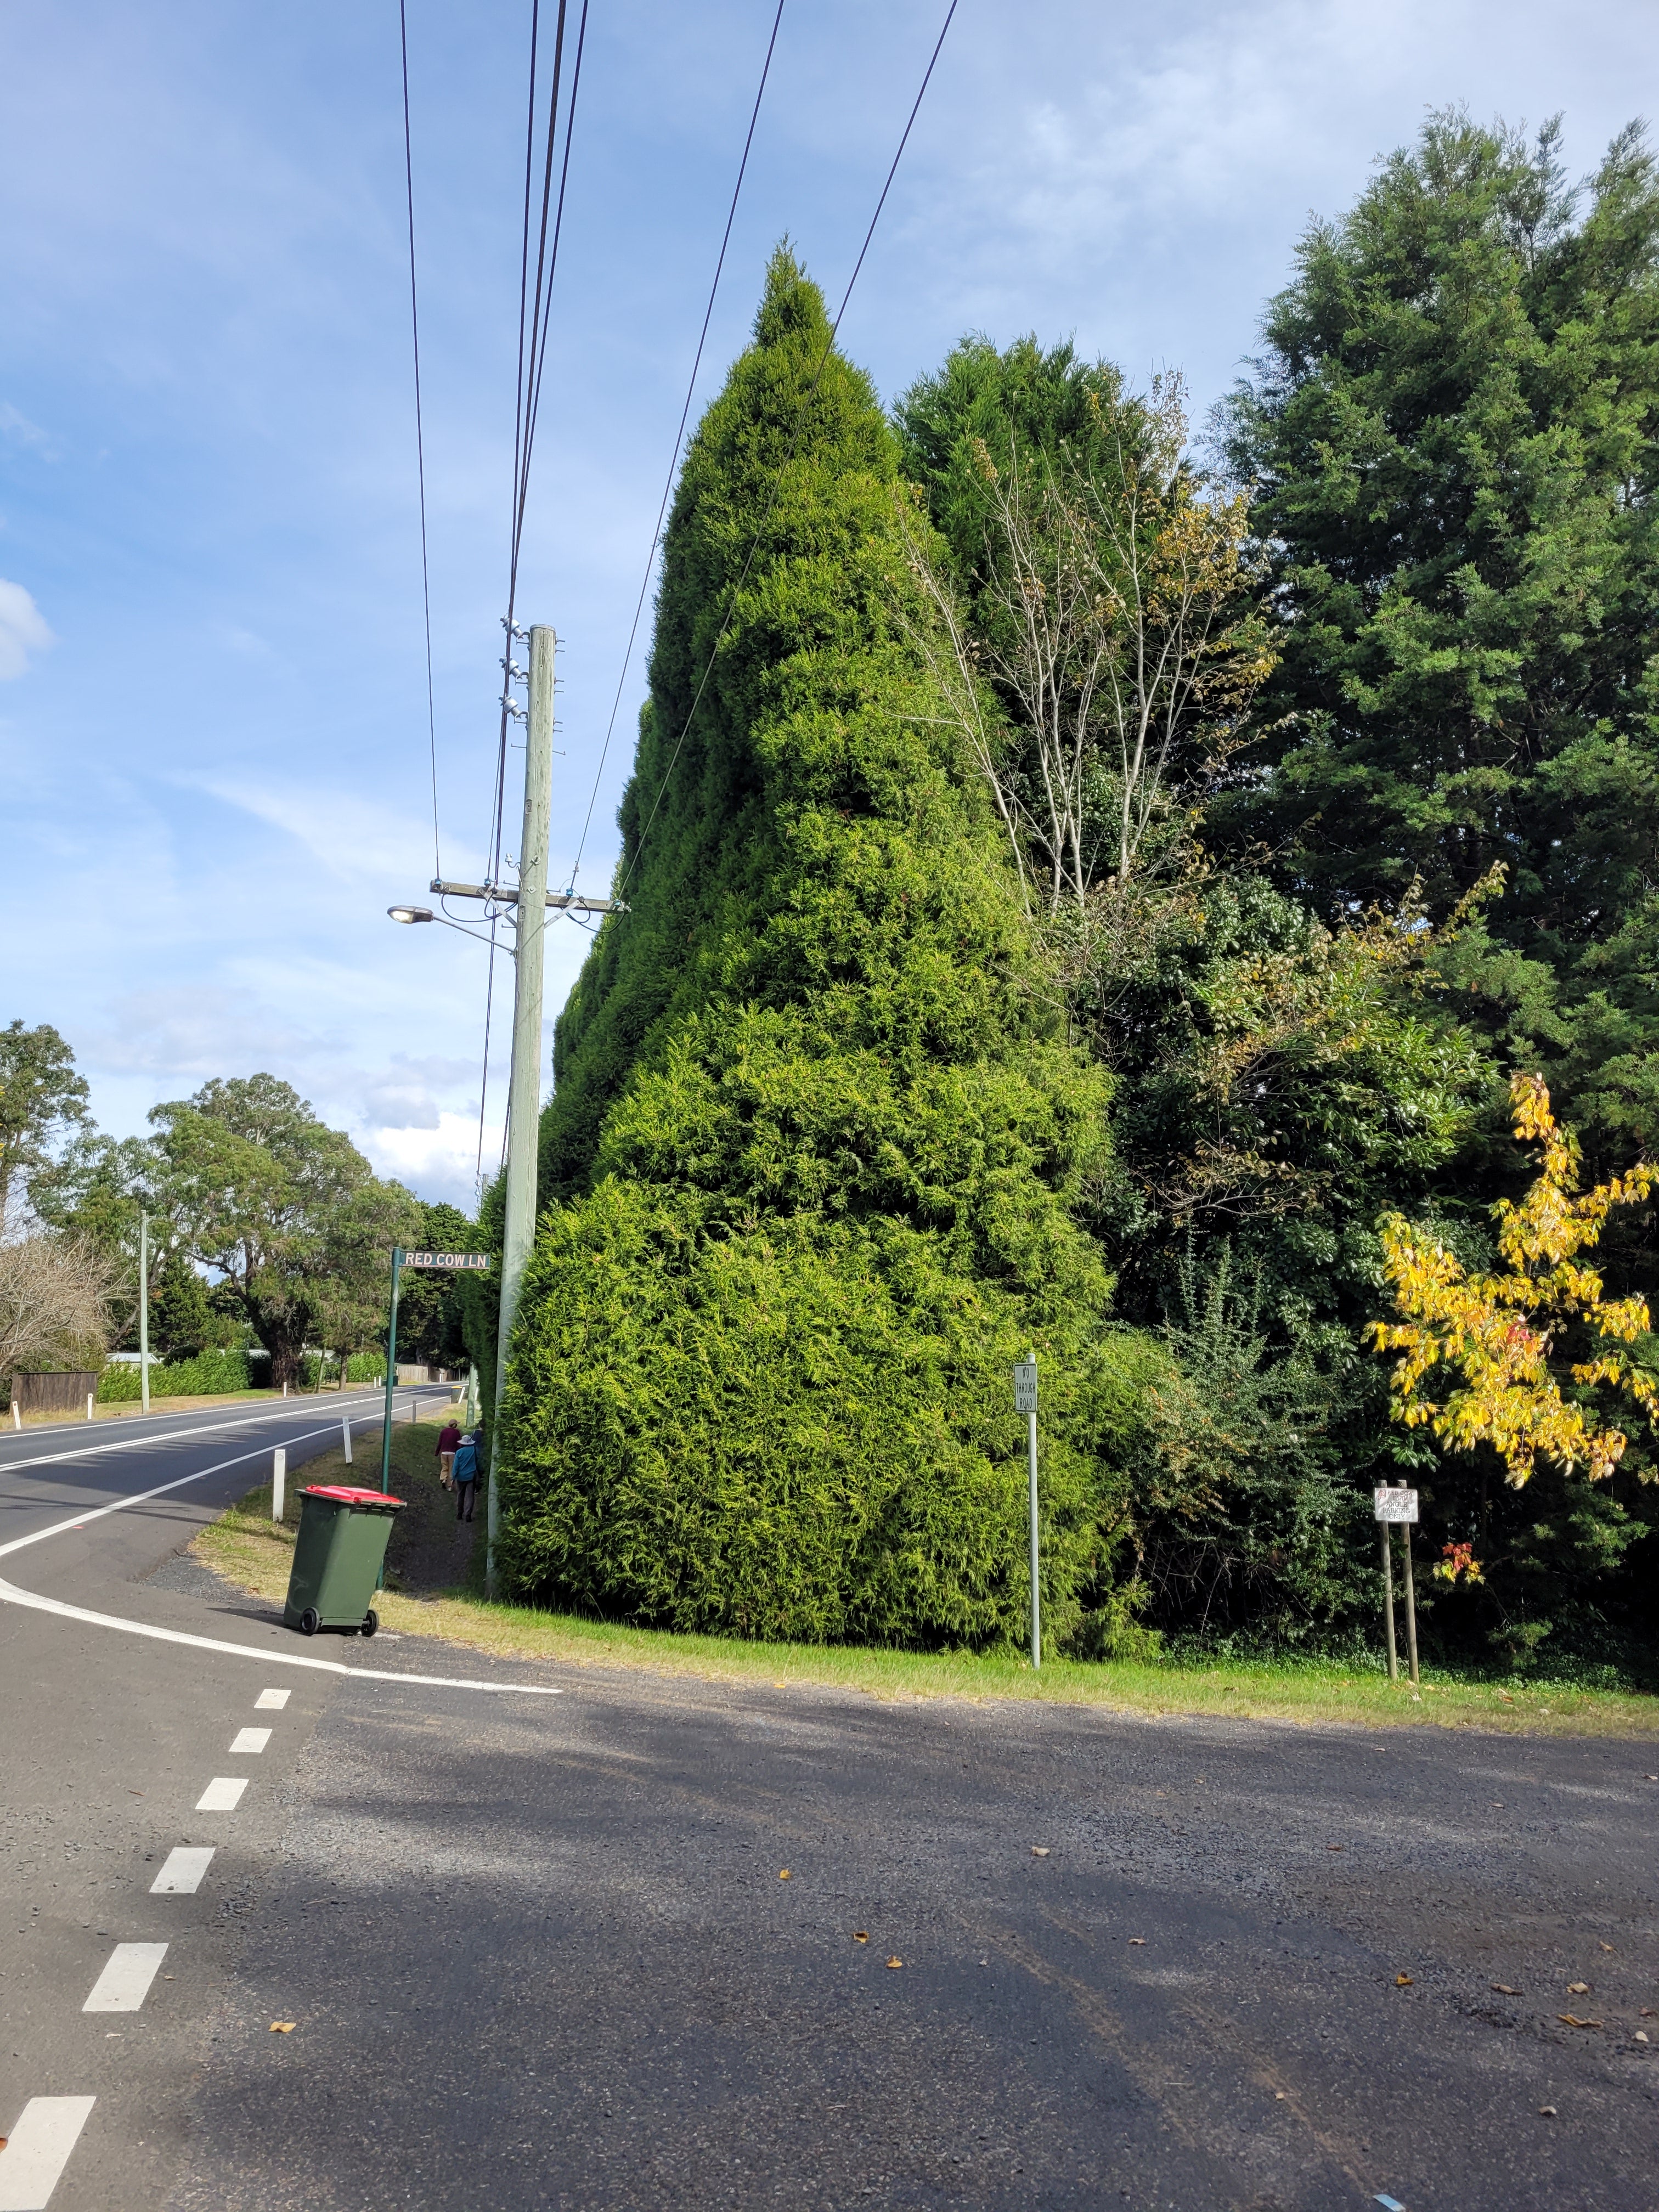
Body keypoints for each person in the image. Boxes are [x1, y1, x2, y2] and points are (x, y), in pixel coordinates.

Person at [451, 1429, 481, 1523]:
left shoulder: (459, 1452)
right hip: (471, 1476)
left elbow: (456, 1466)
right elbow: (478, 1462)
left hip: (460, 1477)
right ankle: (468, 1515)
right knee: (470, 1496)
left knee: (460, 1495)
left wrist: (453, 1477)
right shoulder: (474, 1450)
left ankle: (460, 1513)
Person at [435, 1417, 461, 1490]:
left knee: (445, 1467)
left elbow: (440, 1443)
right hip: (452, 1453)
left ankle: (443, 1479)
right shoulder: (457, 1432)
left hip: (444, 1452)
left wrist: (437, 1453)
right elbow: (458, 1443)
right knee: (451, 1469)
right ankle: (450, 1486)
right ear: (455, 1425)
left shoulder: (444, 1431)